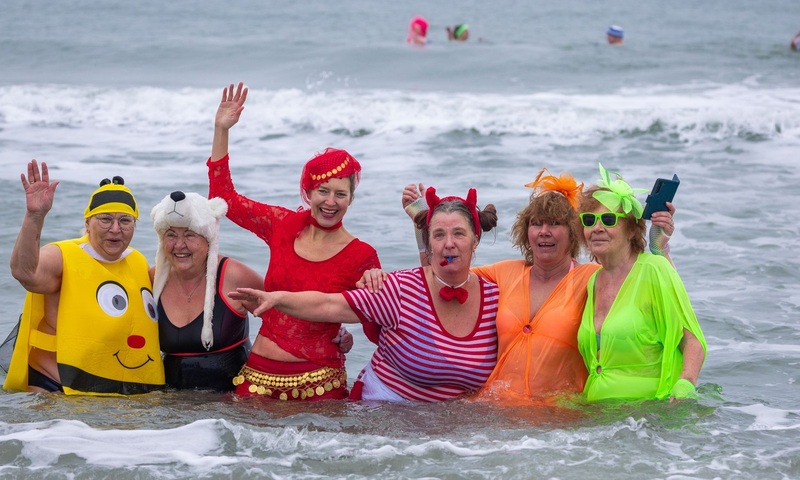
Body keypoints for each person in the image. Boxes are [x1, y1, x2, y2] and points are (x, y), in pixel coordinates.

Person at [385, 169, 677, 403]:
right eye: (537, 223)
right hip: (495, 411)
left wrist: (658, 246)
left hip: (559, 421)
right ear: (526, 232)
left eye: (555, 224)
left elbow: (653, 288)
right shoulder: (504, 273)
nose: (544, 232)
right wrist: (422, 224)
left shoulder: (592, 277)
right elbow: (442, 274)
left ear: (575, 232)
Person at [230, 188, 500, 402]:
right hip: (382, 416)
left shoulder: (496, 298)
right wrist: (277, 299)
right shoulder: (398, 289)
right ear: (428, 242)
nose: (449, 243)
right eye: (439, 234)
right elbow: (328, 305)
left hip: (451, 434)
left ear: (475, 240)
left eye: (459, 234)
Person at [208, 82, 380, 400]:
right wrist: (222, 130)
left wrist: (361, 315)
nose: (330, 201)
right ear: (309, 193)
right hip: (258, 376)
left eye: (340, 194)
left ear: (351, 199)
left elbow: (375, 328)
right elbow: (223, 197)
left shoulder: (362, 255)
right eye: (323, 191)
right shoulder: (282, 226)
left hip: (322, 383)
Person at [4, 161, 165, 395]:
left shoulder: (138, 261)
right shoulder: (63, 255)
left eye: (125, 221)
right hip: (54, 388)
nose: (115, 229)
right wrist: (35, 216)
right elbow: (25, 273)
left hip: (110, 391)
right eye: (105, 219)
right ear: (87, 224)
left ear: (134, 226)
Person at [577, 164, 706, 402]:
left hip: (647, 420)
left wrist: (685, 385)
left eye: (608, 219)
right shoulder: (593, 280)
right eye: (589, 220)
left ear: (631, 230)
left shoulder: (654, 269)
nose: (597, 228)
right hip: (598, 420)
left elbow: (692, 341)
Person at [150, 190, 263, 391]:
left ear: (208, 239)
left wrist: (336, 336)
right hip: (171, 405)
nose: (179, 245)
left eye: (190, 235)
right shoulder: (153, 279)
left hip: (231, 406)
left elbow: (284, 319)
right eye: (171, 235)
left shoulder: (233, 276)